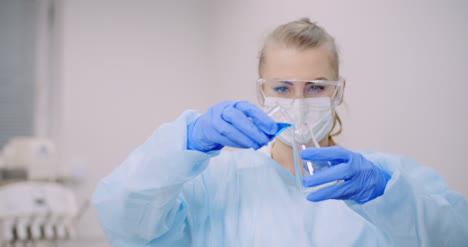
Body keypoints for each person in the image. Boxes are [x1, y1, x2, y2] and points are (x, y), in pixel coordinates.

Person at [92, 18, 468, 246]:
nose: (300, 102)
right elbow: (124, 223)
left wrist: (389, 197)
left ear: (339, 91)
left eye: (316, 87)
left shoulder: (385, 178)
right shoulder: (219, 183)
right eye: (283, 88)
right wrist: (187, 141)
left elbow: (454, 238)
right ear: (261, 91)